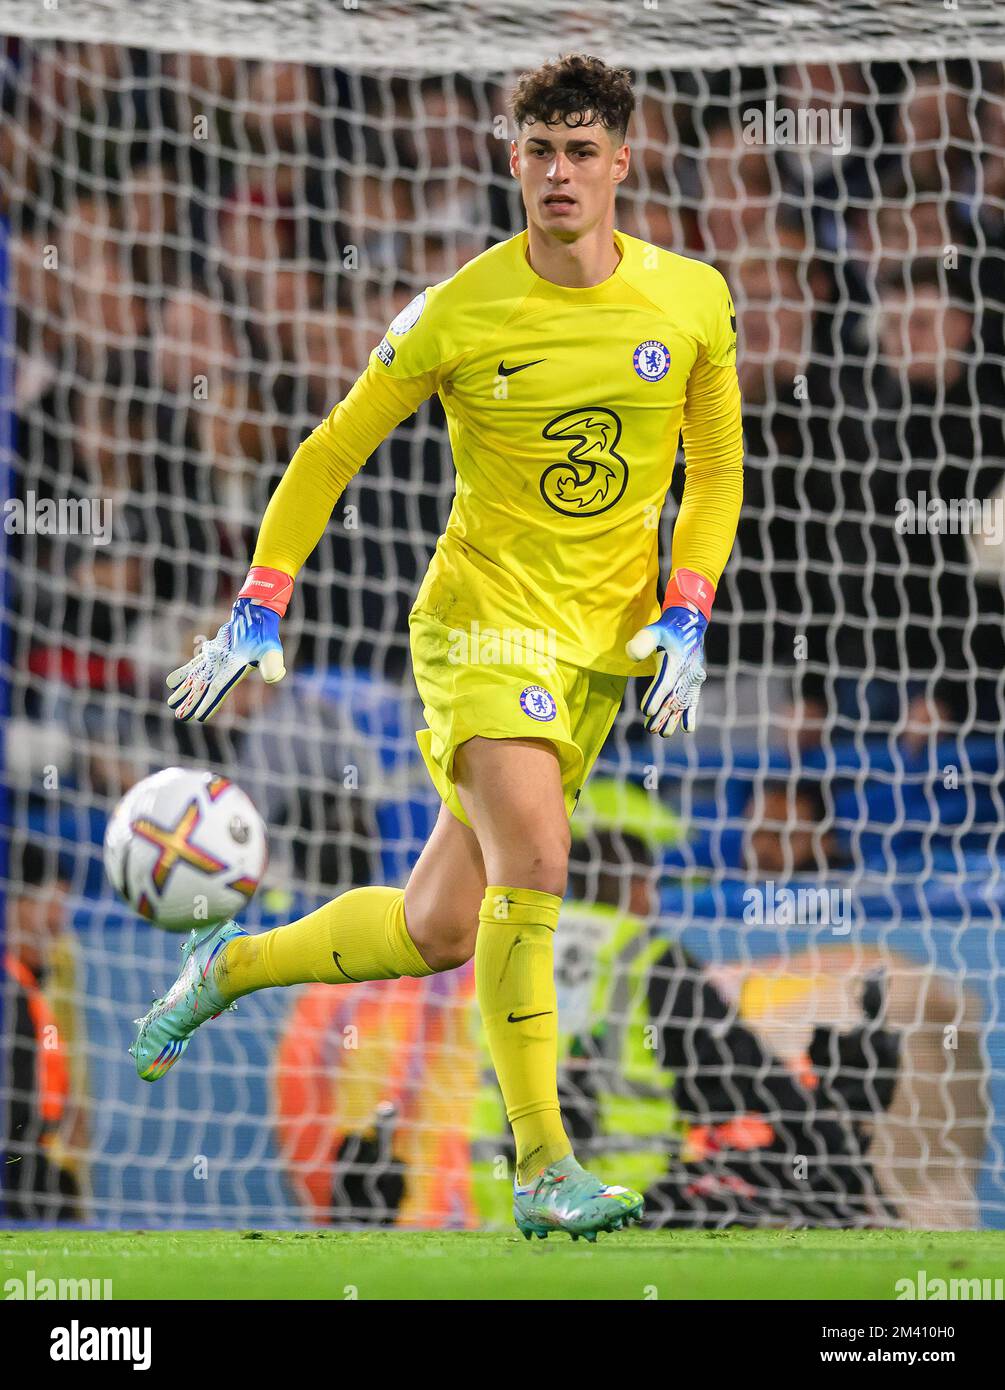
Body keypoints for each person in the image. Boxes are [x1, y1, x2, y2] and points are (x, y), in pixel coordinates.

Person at [133, 54, 744, 1242]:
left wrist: (688, 604)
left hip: (600, 647)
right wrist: (261, 599)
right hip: (477, 622)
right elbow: (328, 450)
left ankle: (229, 964)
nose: (559, 171)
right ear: (512, 160)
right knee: (544, 856)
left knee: (442, 927)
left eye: (581, 150)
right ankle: (543, 1163)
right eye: (539, 150)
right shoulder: (460, 309)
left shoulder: (693, 300)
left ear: (624, 159)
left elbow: (714, 467)